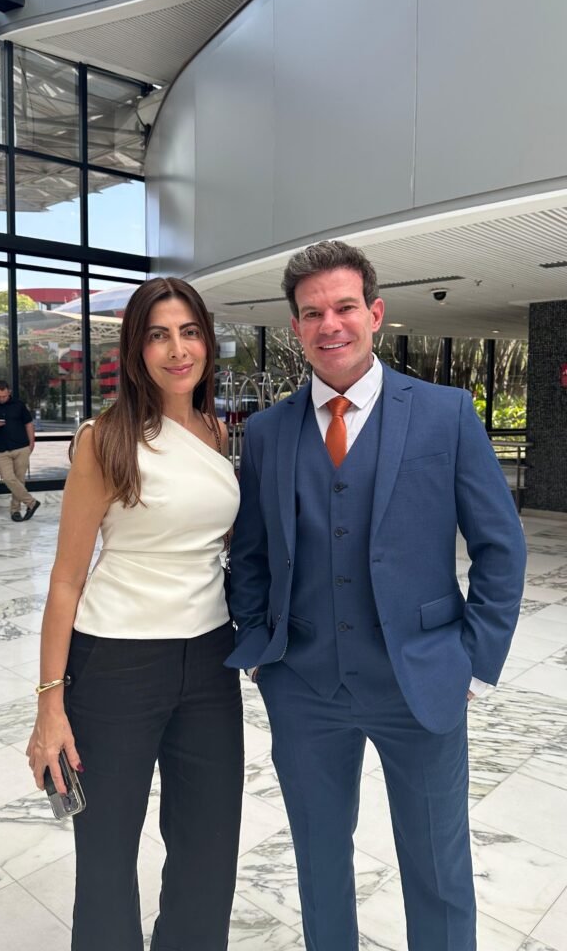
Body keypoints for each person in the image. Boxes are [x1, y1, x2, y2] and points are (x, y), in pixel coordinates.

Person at [225, 240, 526, 951]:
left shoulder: (447, 413)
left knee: (438, 866)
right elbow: (252, 553)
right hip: (303, 686)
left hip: (420, 681)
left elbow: (501, 546)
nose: (330, 324)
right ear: (296, 326)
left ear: (376, 313)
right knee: (319, 860)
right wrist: (262, 651)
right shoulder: (266, 432)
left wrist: (472, 660)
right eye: (312, 313)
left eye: (344, 307)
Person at [26, 277, 244, 951]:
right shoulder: (106, 438)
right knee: (107, 852)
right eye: (158, 335)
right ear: (135, 349)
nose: (177, 350)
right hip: (116, 660)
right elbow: (66, 579)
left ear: (206, 342)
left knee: (210, 846)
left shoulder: (217, 432)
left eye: (189, 332)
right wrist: (50, 704)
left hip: (210, 659)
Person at [0, 380, 40, 522]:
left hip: (21, 448)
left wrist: (31, 443)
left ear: (9, 393)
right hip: (1, 450)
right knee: (7, 478)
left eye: (4, 396)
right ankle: (31, 502)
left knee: (19, 480)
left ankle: (15, 511)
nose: (1, 399)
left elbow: (29, 424)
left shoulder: (19, 405)